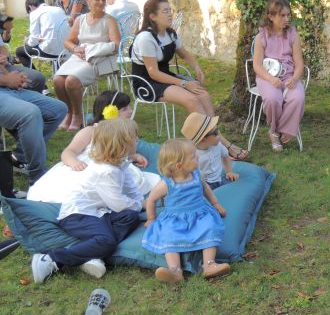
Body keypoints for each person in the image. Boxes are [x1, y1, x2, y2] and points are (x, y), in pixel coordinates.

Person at [130, 0, 248, 160]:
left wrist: (196, 66)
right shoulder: (145, 38)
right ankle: (224, 145)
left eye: (170, 10)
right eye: (165, 11)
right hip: (147, 83)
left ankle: (213, 141)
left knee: (203, 95)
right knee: (191, 100)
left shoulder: (170, 33)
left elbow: (183, 53)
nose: (170, 14)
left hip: (165, 78)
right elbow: (153, 73)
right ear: (152, 16)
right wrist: (185, 83)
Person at [30, 119, 142, 284]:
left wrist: (139, 200)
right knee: (107, 241)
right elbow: (118, 204)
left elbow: (130, 188)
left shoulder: (120, 163)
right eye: (135, 137)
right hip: (77, 216)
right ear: (122, 143)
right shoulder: (106, 171)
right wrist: (141, 205)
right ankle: (51, 259)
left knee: (131, 216)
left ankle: (92, 254)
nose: (138, 140)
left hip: (98, 213)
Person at [27, 90, 160, 202]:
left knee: (117, 185)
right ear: (109, 112)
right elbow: (68, 151)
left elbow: (126, 154)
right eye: (125, 109)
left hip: (112, 167)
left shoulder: (125, 132)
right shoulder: (91, 131)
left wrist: (133, 154)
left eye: (129, 107)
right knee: (77, 186)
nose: (130, 111)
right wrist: (73, 161)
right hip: (87, 165)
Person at [142, 138, 230, 284]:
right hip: (175, 218)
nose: (198, 158)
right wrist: (151, 218)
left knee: (210, 227)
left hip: (200, 213)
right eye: (193, 157)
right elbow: (151, 200)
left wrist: (215, 203)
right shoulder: (166, 184)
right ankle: (175, 271)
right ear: (179, 165)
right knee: (168, 234)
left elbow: (206, 189)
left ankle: (209, 265)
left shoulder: (197, 175)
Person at [54, 0, 121, 131]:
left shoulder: (109, 20)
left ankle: (78, 115)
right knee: (58, 80)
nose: (101, 3)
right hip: (79, 56)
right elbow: (68, 41)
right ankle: (69, 113)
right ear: (88, 0)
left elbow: (116, 45)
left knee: (71, 81)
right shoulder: (80, 19)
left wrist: (95, 49)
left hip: (100, 59)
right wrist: (75, 48)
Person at [253, 0, 305, 152]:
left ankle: (283, 130)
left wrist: (295, 78)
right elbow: (256, 65)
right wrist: (270, 78)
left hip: (289, 76)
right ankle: (275, 132)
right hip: (267, 77)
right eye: (282, 16)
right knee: (272, 98)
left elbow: (299, 63)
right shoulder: (261, 37)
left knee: (298, 97)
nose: (286, 19)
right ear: (271, 16)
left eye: (288, 15)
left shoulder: (293, 35)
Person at [0, 65, 67, 185]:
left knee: (59, 109)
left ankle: (19, 157)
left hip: (7, 88)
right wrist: (7, 80)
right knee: (30, 113)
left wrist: (14, 78)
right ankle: (38, 178)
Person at [181, 112, 239, 191]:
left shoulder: (218, 146)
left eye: (218, 130)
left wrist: (229, 171)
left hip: (219, 179)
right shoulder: (193, 155)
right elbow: (187, 173)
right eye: (215, 133)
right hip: (204, 184)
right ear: (203, 140)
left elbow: (225, 156)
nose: (219, 135)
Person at [15, 0, 69, 69]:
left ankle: (35, 77)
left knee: (20, 51)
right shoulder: (59, 9)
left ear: (30, 7)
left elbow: (33, 40)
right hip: (65, 50)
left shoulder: (34, 13)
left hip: (49, 51)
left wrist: (27, 41)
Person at [0, 13, 47, 93]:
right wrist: (8, 78)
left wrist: (7, 31)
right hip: (3, 70)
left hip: (4, 66)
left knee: (38, 77)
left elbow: (5, 42)